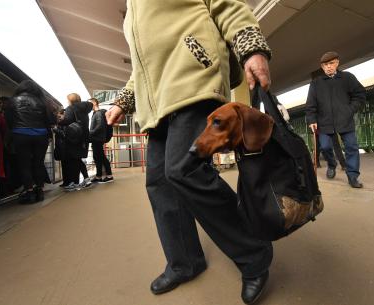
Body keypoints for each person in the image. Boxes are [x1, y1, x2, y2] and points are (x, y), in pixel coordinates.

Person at [107, 1, 273, 304]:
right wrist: (124, 101)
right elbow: (142, 66)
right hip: (156, 106)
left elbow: (227, 5)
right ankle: (184, 262)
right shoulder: (131, 10)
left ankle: (254, 253)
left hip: (193, 80)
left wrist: (250, 46)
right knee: (159, 184)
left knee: (183, 169)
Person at [306, 51, 366, 188]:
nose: (329, 67)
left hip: (345, 121)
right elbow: (310, 105)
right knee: (326, 146)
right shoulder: (316, 83)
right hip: (324, 123)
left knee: (351, 147)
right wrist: (311, 120)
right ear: (322, 67)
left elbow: (360, 95)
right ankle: (332, 165)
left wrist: (350, 109)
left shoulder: (348, 78)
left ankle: (352, 176)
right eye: (325, 64)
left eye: (331, 63)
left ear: (337, 63)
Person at [5, 80, 55, 203]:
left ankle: (29, 192)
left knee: (24, 164)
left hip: (21, 134)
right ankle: (39, 191)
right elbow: (50, 120)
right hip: (41, 135)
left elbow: (9, 120)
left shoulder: (12, 101)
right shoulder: (43, 102)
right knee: (38, 163)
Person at [57, 93, 92, 191]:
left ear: (70, 100)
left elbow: (67, 120)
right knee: (77, 159)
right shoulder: (85, 109)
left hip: (74, 137)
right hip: (83, 137)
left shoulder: (70, 108)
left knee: (73, 160)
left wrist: (58, 121)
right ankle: (83, 179)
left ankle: (74, 183)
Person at [89, 98, 114, 183]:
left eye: (90, 103)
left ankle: (109, 176)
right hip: (97, 138)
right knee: (97, 157)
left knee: (101, 157)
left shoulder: (98, 113)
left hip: (97, 138)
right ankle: (99, 176)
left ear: (94, 103)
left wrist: (90, 132)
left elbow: (99, 126)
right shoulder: (96, 113)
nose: (88, 105)